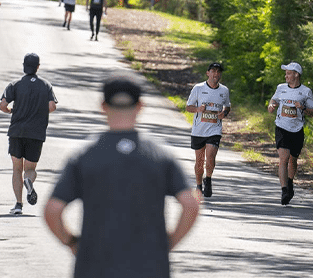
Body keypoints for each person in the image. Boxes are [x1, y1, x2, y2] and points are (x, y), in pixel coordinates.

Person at [44, 73, 200, 277]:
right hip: (150, 266)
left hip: (94, 266)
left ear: (103, 106)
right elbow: (190, 204)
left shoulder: (84, 157)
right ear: (140, 106)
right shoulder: (160, 156)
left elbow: (53, 209)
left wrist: (71, 242)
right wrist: (168, 243)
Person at [0, 53, 58, 215]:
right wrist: (38, 112)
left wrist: (11, 110)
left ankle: (18, 205)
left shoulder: (14, 84)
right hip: (36, 133)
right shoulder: (45, 85)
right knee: (30, 169)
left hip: (17, 131)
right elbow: (52, 106)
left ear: (24, 66)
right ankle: (29, 181)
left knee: (16, 168)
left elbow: (2, 105)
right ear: (38, 67)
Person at [267, 62, 313, 205]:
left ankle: (290, 182)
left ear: (296, 74)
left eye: (288, 73)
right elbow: (274, 99)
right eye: (286, 73)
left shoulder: (306, 91)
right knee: (283, 158)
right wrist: (271, 105)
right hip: (281, 127)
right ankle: (284, 190)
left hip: (297, 130)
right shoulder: (281, 88)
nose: (286, 76)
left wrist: (303, 108)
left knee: (293, 159)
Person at [185, 62, 231, 197]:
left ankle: (209, 180)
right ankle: (199, 185)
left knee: (210, 157)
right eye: (214, 71)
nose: (216, 74)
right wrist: (198, 109)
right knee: (199, 161)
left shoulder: (224, 90)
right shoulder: (198, 88)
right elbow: (188, 107)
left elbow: (227, 106)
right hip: (199, 130)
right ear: (208, 73)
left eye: (219, 72)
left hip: (214, 129)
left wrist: (225, 113)